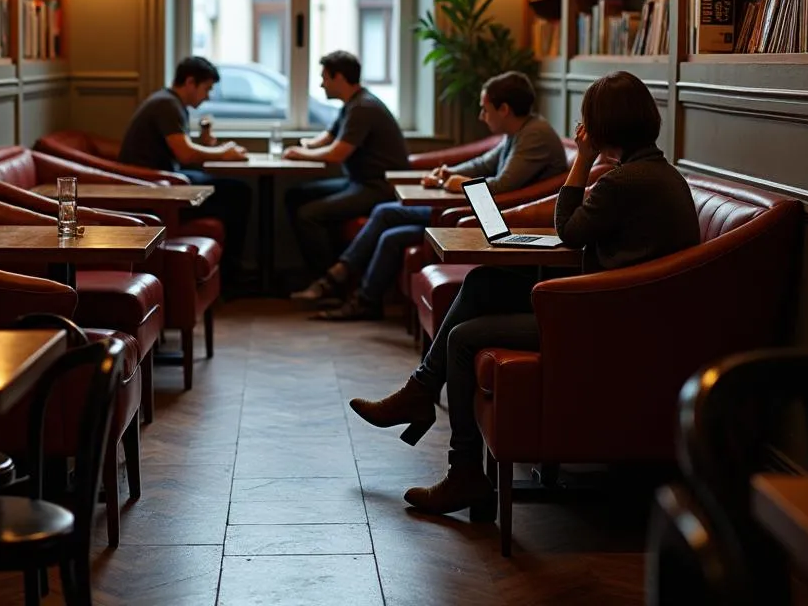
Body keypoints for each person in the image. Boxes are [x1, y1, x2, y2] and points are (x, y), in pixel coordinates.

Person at [348, 71, 699, 519]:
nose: (581, 128)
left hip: (605, 320)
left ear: (602, 125)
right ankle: (420, 393)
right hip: (610, 307)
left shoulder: (625, 182)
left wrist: (584, 158)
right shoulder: (652, 173)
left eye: (587, 120)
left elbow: (568, 230)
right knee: (481, 282)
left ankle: (464, 475)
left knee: (463, 338)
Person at [292, 71, 567, 321]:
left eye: (484, 110)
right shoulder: (520, 130)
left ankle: (346, 286)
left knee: (386, 216)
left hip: (495, 218)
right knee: (388, 227)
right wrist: (446, 172)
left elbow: (504, 185)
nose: (481, 116)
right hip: (478, 211)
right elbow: (483, 163)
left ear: (504, 109)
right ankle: (359, 295)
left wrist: (460, 184)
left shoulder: (534, 135)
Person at [118, 56, 251, 282]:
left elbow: (182, 151)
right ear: (190, 82)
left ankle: (230, 271)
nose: (208, 96)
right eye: (206, 89)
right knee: (238, 193)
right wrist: (223, 153)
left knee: (233, 191)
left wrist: (207, 144)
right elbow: (185, 154)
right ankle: (231, 275)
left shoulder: (170, 102)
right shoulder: (167, 104)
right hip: (155, 189)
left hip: (166, 181)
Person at [284, 50, 409, 277]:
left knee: (308, 214)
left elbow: (336, 154)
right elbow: (329, 138)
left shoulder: (363, 107)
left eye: (325, 78)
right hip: (357, 182)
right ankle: (318, 270)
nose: (322, 85)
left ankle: (326, 280)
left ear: (339, 77)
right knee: (295, 195)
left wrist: (299, 155)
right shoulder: (353, 104)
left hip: (378, 187)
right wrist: (304, 146)